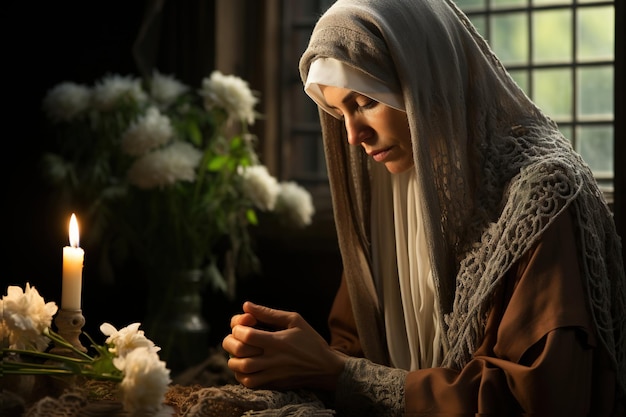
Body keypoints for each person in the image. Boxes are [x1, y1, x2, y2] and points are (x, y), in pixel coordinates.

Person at [222, 0, 626, 415]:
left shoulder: (541, 198)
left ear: (426, 82)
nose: (352, 136)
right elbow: (354, 345)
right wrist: (288, 356)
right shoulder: (385, 193)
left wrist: (340, 373)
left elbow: (538, 397)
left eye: (364, 102)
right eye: (339, 112)